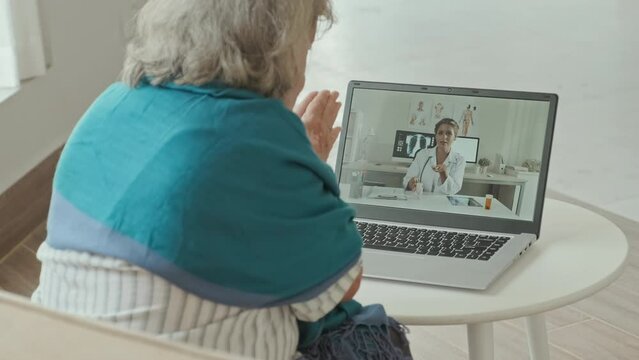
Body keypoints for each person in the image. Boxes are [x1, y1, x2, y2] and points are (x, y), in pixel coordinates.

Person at [30, 1, 411, 359]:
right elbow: (340, 285)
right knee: (374, 335)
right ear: (279, 47)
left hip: (57, 345)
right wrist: (307, 166)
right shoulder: (254, 140)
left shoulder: (110, 105)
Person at [403, 118, 465, 195]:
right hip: (420, 201)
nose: (444, 137)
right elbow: (407, 179)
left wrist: (444, 174)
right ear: (436, 136)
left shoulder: (459, 160)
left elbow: (454, 189)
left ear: (455, 137)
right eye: (440, 133)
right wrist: (410, 183)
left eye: (448, 133)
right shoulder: (422, 154)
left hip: (443, 204)